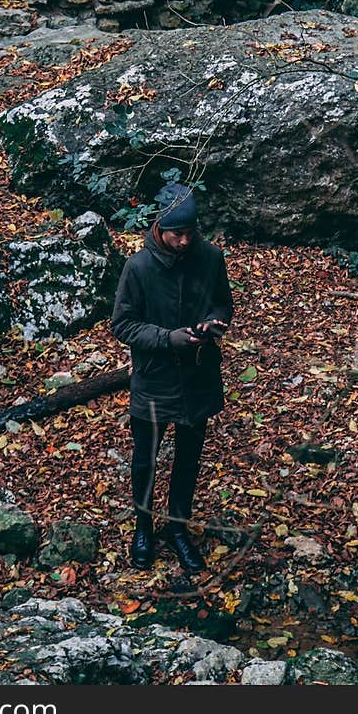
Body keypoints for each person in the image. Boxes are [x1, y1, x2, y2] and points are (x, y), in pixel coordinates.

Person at [111, 180, 233, 573]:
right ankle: (143, 529)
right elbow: (124, 324)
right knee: (145, 461)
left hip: (198, 378)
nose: (184, 241)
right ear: (159, 229)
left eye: (189, 233)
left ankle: (178, 529)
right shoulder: (138, 267)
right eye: (176, 233)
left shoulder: (211, 258)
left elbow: (222, 303)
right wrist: (168, 339)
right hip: (153, 380)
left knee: (188, 459)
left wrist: (214, 323)